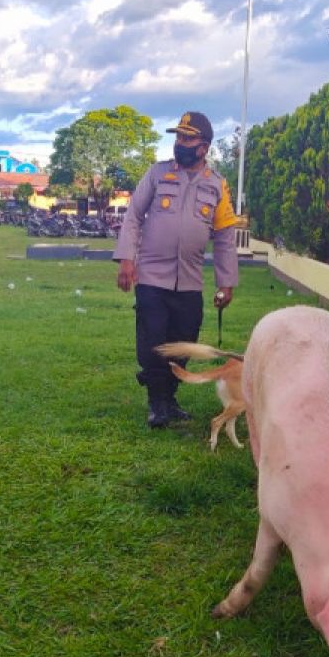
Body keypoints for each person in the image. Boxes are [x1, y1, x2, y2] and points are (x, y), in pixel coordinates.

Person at [114, 111, 239, 428]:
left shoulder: (217, 186)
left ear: (203, 147)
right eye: (178, 137)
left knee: (182, 343)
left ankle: (170, 399)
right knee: (154, 342)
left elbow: (224, 238)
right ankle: (157, 403)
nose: (179, 144)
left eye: (187, 138)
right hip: (152, 277)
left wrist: (226, 283)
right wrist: (127, 259)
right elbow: (133, 217)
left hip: (190, 283)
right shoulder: (157, 175)